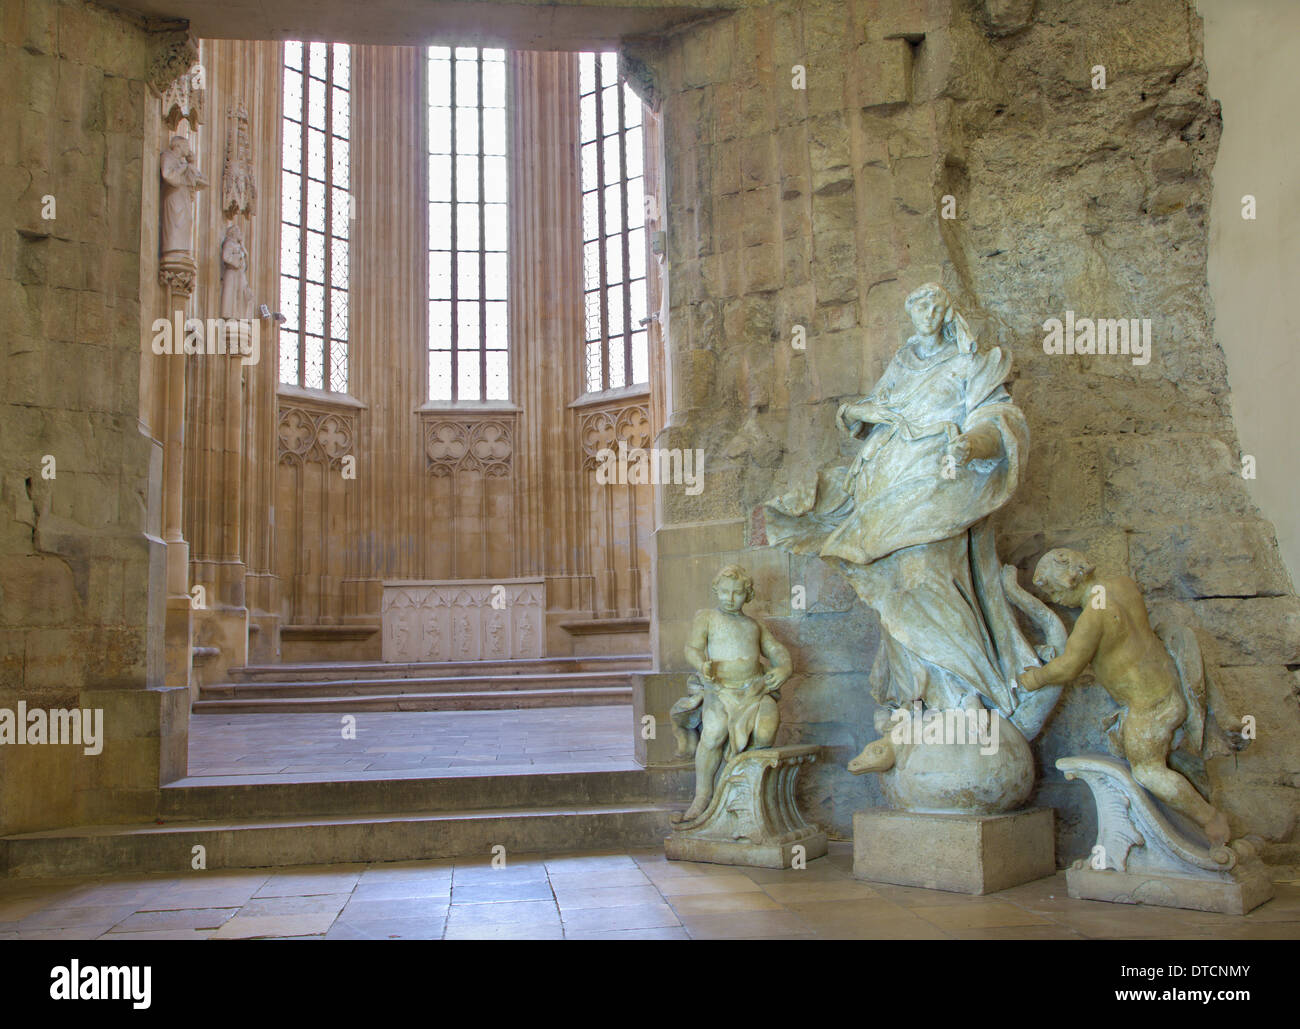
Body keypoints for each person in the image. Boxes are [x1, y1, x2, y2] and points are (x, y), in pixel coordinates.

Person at [765, 283, 1063, 776]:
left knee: (926, 575)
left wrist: (971, 444)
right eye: (915, 305)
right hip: (884, 489)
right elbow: (863, 412)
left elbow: (1001, 418)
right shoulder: (904, 363)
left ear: (945, 310)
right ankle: (927, 702)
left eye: (929, 304)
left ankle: (970, 690)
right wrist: (861, 412)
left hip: (939, 487)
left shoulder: (972, 363)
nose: (923, 312)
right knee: (894, 590)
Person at [1018, 548, 1233, 846]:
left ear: (1068, 580)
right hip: (1168, 685)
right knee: (1161, 764)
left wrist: (1035, 677)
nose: (1055, 599)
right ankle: (1189, 824)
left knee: (1147, 771)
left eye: (1053, 591)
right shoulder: (1123, 585)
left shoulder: (1093, 617)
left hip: (1148, 707)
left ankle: (1211, 820)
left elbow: (1068, 667)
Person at [673, 565, 792, 822]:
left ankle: (747, 789)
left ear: (747, 595)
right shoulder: (707, 617)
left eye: (737, 593)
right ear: (716, 590)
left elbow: (776, 650)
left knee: (766, 731)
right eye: (725, 592)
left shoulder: (754, 625)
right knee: (714, 733)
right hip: (720, 689)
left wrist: (785, 667)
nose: (730, 598)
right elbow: (691, 648)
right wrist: (700, 664)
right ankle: (702, 796)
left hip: (753, 690)